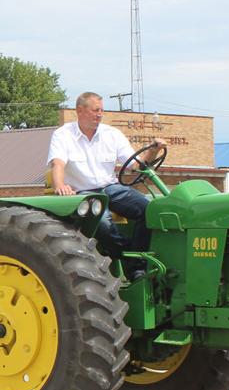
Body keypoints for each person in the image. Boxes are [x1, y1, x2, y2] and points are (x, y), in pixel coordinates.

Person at [47, 91, 165, 274]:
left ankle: (138, 265)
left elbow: (135, 165)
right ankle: (125, 256)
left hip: (110, 187)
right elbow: (58, 163)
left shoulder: (112, 134)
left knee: (148, 209)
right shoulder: (63, 134)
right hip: (83, 192)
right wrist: (60, 185)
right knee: (102, 223)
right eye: (95, 110)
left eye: (101, 110)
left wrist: (154, 151)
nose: (100, 114)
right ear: (80, 110)